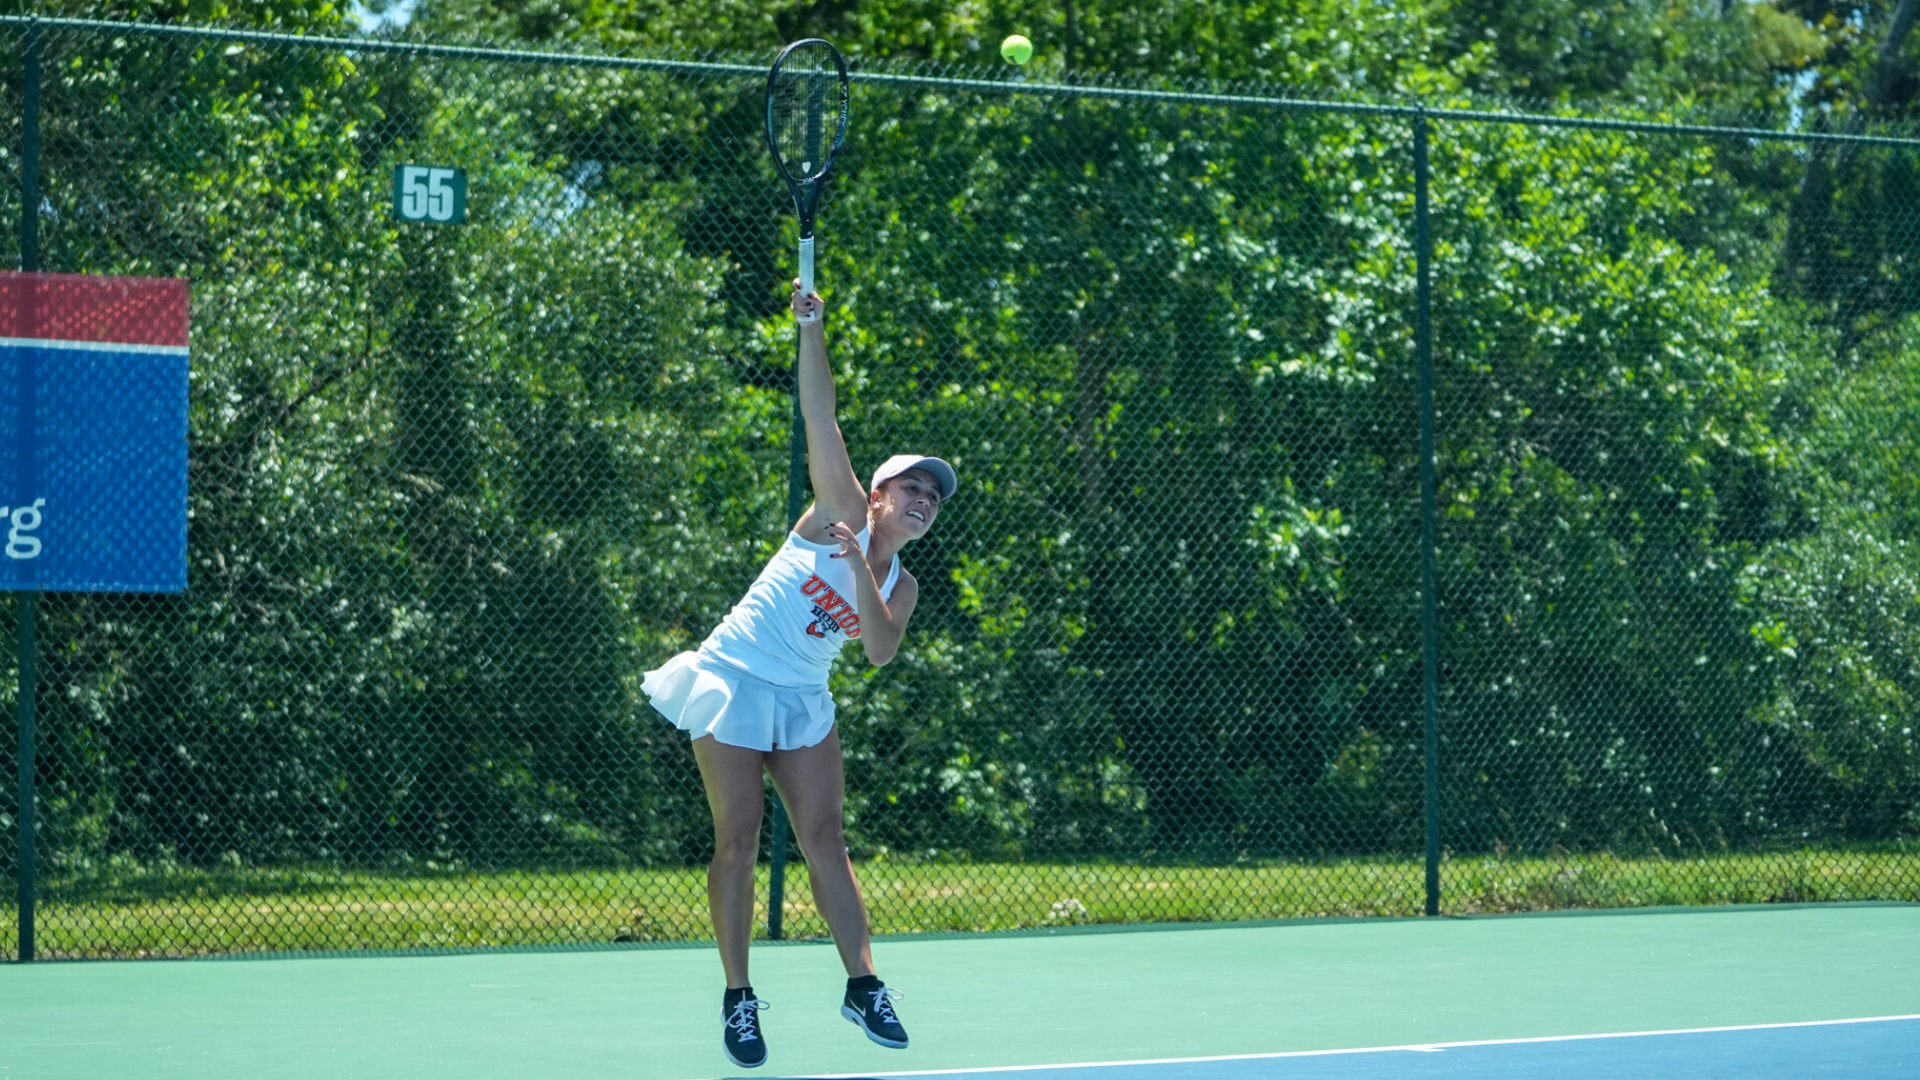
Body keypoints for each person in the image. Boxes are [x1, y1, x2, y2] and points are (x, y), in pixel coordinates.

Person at [641, 280, 957, 1070]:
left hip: (804, 699)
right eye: (911, 488)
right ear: (876, 496)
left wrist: (860, 571)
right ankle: (738, 1000)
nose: (923, 501)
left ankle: (864, 985)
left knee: (825, 838)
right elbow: (821, 416)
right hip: (734, 677)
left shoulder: (902, 582)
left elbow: (879, 651)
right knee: (738, 840)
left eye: (934, 498)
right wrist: (810, 330)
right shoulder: (837, 510)